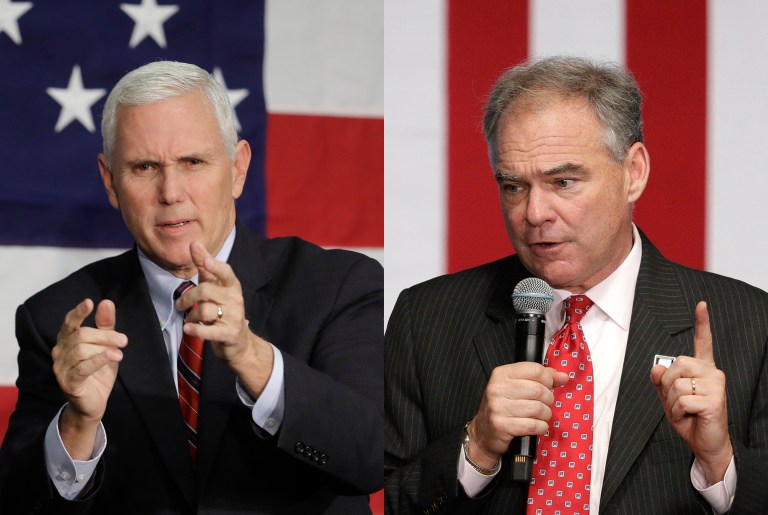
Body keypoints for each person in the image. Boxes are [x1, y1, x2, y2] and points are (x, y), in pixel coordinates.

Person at [384, 56, 768, 514]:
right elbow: (379, 498)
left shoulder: (751, 324)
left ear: (634, 173)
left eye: (563, 181)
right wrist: (475, 450)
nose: (534, 213)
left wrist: (718, 462)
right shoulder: (425, 317)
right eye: (513, 187)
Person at [0, 61, 383, 514]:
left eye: (193, 162)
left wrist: (251, 358)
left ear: (238, 169)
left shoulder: (338, 285)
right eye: (144, 167)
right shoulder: (58, 319)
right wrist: (78, 425)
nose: (171, 191)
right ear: (110, 182)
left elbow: (371, 459)